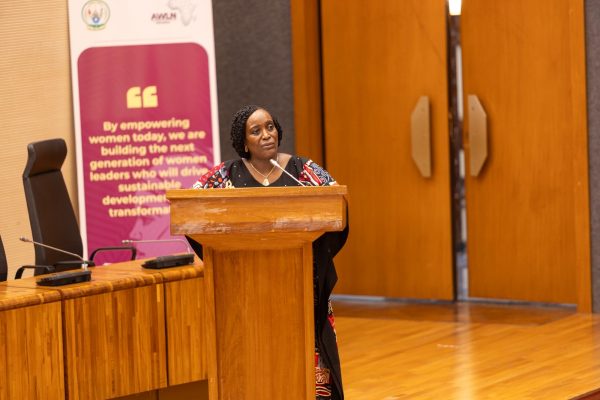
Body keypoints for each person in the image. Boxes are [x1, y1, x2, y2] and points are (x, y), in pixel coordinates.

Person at [191, 104, 349, 399]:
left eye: (270, 127)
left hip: (302, 286)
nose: (266, 135)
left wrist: (316, 256)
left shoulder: (302, 170)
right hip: (245, 289)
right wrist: (222, 257)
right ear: (243, 142)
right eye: (256, 131)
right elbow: (191, 208)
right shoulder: (225, 175)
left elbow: (336, 202)